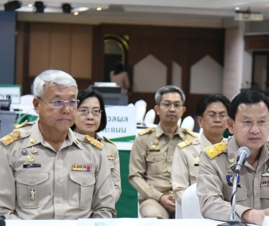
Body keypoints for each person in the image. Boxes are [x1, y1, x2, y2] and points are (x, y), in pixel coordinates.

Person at [0, 70, 116, 219]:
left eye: (72, 102)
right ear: (37, 105)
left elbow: (104, 209)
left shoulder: (94, 152)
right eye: (57, 102)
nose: (66, 110)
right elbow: (0, 210)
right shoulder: (11, 149)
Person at [197, 90, 269, 225]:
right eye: (247, 122)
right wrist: (250, 215)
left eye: (261, 122)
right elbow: (209, 204)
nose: (255, 130)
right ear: (231, 125)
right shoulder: (212, 158)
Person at [129, 85, 195, 218]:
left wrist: (184, 197)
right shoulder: (144, 139)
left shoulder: (192, 140)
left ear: (183, 110)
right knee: (153, 217)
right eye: (167, 104)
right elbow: (135, 176)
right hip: (154, 199)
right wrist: (159, 197)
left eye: (177, 105)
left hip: (184, 199)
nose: (172, 109)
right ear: (157, 110)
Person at [171, 94, 230, 206]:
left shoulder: (235, 149)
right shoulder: (185, 150)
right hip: (197, 209)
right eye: (212, 115)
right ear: (200, 121)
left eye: (222, 115)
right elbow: (180, 190)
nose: (217, 120)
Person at [72, 89, 121, 203]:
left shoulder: (110, 148)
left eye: (95, 111)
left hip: (103, 209)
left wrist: (103, 206)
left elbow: (116, 187)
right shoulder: (64, 144)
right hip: (73, 209)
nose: (90, 117)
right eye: (84, 111)